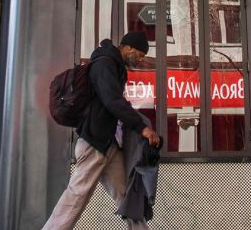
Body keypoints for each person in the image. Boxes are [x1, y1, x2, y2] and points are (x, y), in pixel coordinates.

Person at [41, 31, 162, 229]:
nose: (140, 60)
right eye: (140, 55)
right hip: (95, 144)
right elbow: (112, 101)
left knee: (126, 196)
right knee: (77, 196)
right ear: (129, 47)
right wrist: (142, 128)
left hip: (109, 145)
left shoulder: (114, 66)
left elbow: (113, 102)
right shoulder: (105, 63)